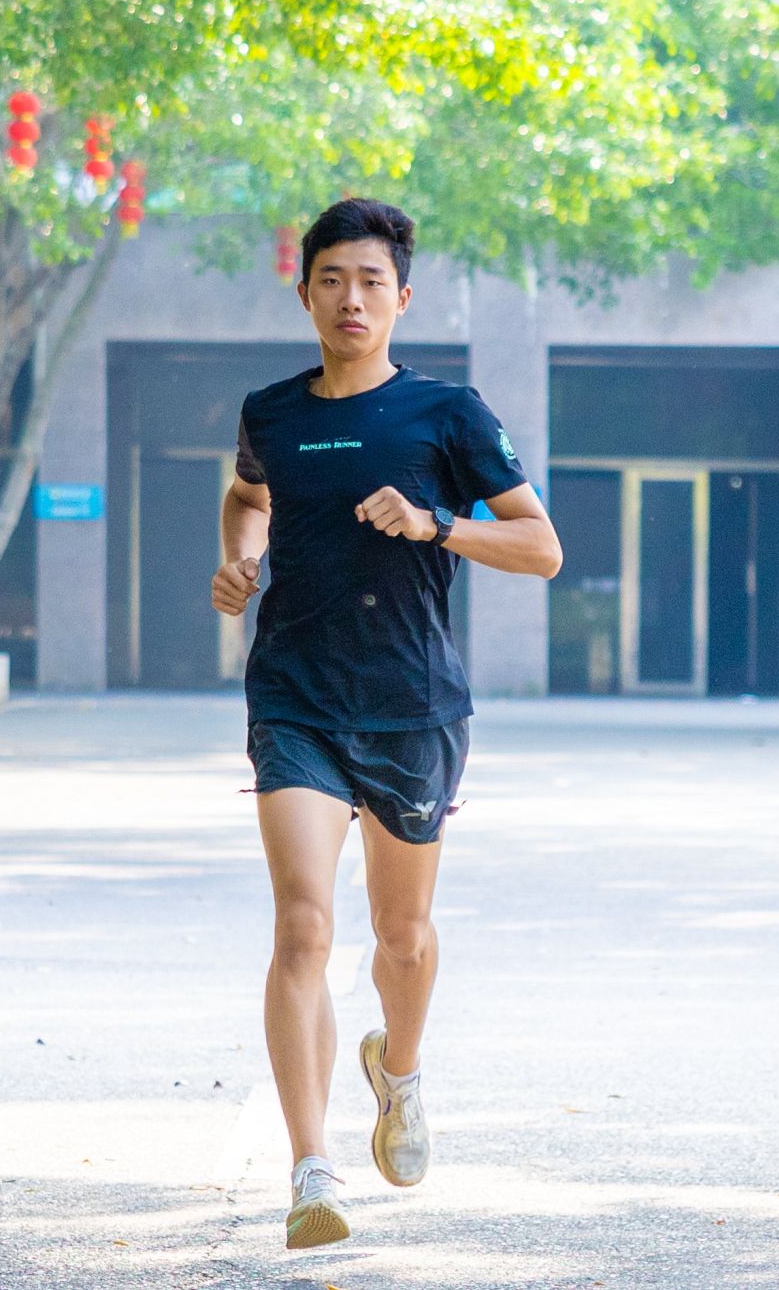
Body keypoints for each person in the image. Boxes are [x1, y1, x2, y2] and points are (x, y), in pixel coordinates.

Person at [210, 198, 562, 1249]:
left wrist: (435, 522)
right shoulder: (272, 412)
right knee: (303, 925)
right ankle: (309, 1170)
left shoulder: (447, 414)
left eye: (370, 281)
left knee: (400, 939)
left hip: (412, 706)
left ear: (401, 298)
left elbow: (540, 547)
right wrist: (239, 558)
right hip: (296, 696)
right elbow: (247, 496)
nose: (350, 299)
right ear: (305, 294)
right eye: (331, 280)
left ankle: (396, 1070)